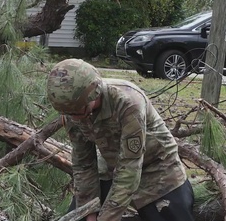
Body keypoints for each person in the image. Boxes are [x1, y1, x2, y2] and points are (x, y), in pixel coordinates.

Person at [46, 59, 195, 221]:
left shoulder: (128, 102)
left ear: (93, 94)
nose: (74, 118)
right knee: (78, 217)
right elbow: (83, 164)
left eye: (78, 111)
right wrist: (89, 212)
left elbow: (130, 167)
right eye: (69, 114)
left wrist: (107, 217)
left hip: (158, 167)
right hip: (112, 166)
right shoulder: (70, 109)